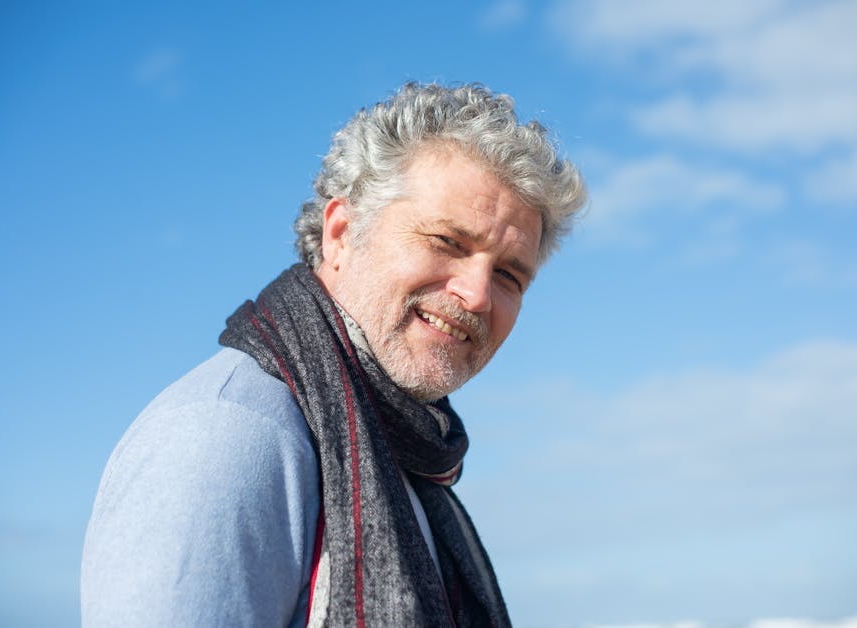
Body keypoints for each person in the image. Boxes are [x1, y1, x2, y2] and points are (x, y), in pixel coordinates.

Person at [81, 82, 586, 627]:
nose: (478, 294)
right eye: (446, 242)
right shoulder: (228, 434)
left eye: (509, 274)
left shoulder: (412, 458)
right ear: (341, 233)